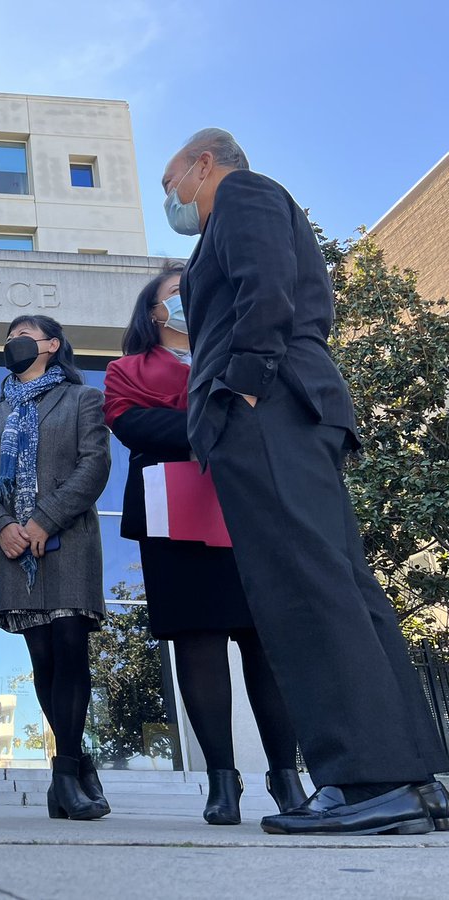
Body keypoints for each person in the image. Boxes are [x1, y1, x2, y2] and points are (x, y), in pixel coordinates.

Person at [161, 127, 449, 835]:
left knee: (304, 588)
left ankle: (364, 780)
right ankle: (411, 780)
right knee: (337, 583)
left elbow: (269, 290)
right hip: (284, 415)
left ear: (204, 164)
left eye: (171, 183)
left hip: (270, 414)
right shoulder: (241, 210)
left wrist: (244, 386)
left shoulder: (245, 196)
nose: (171, 199)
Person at [103, 265, 305, 825]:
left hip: (251, 508)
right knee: (198, 642)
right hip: (174, 512)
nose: (192, 298)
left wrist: (202, 420)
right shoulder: (125, 369)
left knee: (265, 643)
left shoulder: (247, 354)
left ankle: (286, 776)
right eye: (177, 292)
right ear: (154, 312)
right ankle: (223, 777)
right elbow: (132, 424)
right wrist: (218, 420)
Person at [0, 316, 111, 820]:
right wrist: (3, 526)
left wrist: (45, 519)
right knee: (45, 659)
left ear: (52, 344)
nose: (14, 343)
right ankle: (79, 764)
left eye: (24, 335)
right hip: (14, 553)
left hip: (67, 542)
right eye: (8, 337)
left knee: (71, 647)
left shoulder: (82, 399)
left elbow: (94, 465)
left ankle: (65, 774)